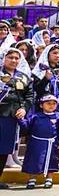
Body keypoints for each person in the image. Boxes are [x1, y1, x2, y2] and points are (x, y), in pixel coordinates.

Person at [0, 48, 34, 188]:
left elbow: (30, 95)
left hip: (12, 118)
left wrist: (24, 109)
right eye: (10, 57)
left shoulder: (24, 77)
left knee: (4, 149)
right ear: (4, 58)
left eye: (16, 58)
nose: (13, 60)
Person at [18, 94, 59, 189]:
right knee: (34, 160)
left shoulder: (58, 117)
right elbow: (26, 127)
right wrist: (20, 119)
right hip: (36, 143)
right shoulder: (35, 116)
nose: (51, 105)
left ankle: (49, 178)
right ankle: (32, 179)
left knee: (51, 160)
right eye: (48, 103)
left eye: (54, 103)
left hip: (51, 143)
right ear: (41, 105)